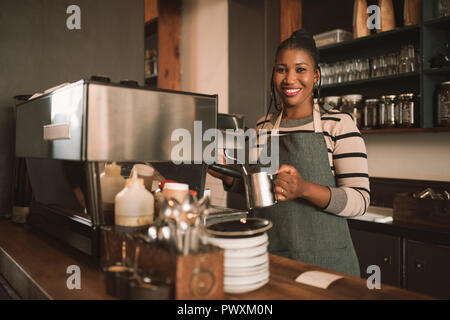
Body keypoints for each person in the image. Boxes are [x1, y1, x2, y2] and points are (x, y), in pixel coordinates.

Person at [210, 29, 370, 277]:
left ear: (316, 75)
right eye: (281, 69)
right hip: (271, 257)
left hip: (327, 263)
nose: (289, 79)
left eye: (301, 69)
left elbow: (360, 201)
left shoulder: (338, 125)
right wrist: (229, 178)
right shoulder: (263, 127)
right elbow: (261, 190)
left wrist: (303, 189)